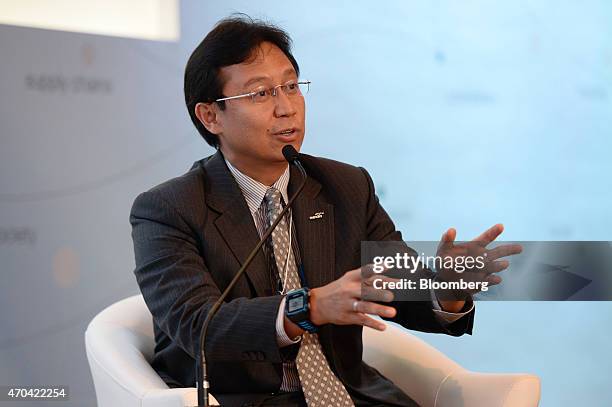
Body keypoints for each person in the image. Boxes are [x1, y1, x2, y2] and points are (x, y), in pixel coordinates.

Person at [130, 15, 520, 406]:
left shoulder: (344, 187)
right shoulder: (168, 209)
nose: (286, 108)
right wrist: (311, 307)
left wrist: (445, 288)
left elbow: (395, 287)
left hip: (350, 394)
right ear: (210, 116)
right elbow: (200, 328)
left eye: (291, 86)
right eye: (260, 94)